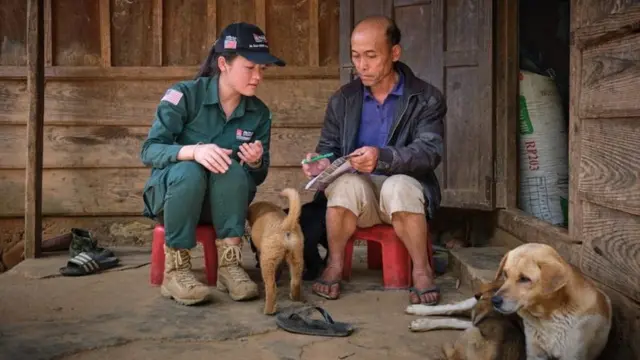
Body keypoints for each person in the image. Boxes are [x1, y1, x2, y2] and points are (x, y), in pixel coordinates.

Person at [302, 15, 447, 305]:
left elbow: (428, 152)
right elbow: (329, 147)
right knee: (343, 187)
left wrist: (383, 158)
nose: (362, 65)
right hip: (360, 199)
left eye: (371, 55)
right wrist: (320, 163)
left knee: (398, 186)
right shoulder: (343, 99)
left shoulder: (425, 97)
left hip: (406, 193)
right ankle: (334, 263)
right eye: (356, 56)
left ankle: (421, 269)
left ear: (394, 53)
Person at [140, 22, 286, 305]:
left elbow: (257, 177)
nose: (258, 77)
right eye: (250, 67)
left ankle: (230, 266)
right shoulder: (185, 96)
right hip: (172, 201)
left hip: (220, 209)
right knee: (189, 170)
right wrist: (193, 151)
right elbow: (149, 150)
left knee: (231, 169)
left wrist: (255, 163)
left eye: (262, 69)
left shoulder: (258, 113)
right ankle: (176, 270)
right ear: (224, 63)